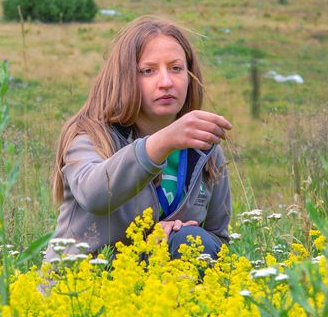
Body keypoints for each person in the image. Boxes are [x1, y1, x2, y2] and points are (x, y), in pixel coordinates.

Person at [46, 16, 233, 264]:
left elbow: (218, 243)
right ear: (125, 78)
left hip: (158, 293)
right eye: (148, 71)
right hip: (84, 291)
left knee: (189, 239)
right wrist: (164, 141)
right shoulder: (90, 135)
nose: (166, 82)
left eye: (176, 68)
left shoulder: (204, 150)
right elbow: (95, 195)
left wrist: (189, 235)